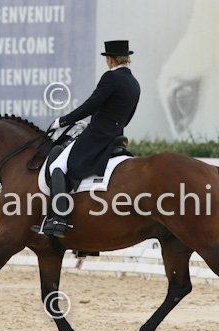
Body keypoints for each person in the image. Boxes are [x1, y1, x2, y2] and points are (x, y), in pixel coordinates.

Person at [32, 40, 141, 238]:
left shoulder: (111, 77)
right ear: (126, 58)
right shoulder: (134, 83)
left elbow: (90, 105)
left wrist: (63, 121)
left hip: (98, 136)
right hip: (116, 136)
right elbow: (128, 115)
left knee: (57, 165)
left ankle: (59, 219)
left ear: (110, 59)